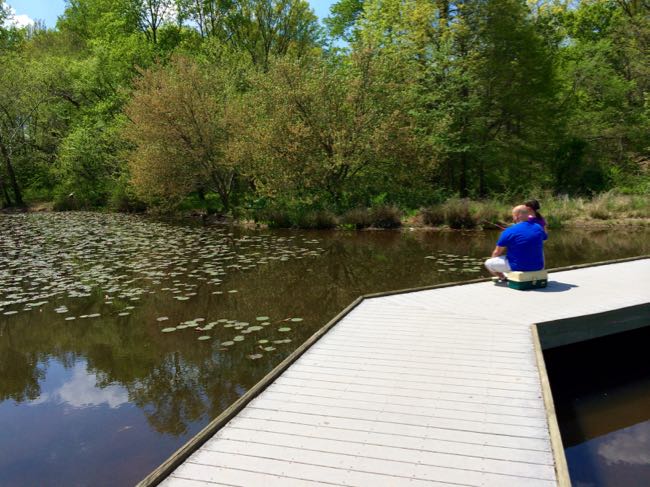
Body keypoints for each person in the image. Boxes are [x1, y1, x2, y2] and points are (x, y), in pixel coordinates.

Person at [484, 205, 547, 280]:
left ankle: (503, 277)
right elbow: (543, 238)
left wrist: (494, 263)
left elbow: (497, 252)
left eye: (513, 216)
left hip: (518, 267)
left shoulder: (509, 230)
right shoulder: (538, 227)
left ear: (516, 216)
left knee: (488, 263)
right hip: (538, 266)